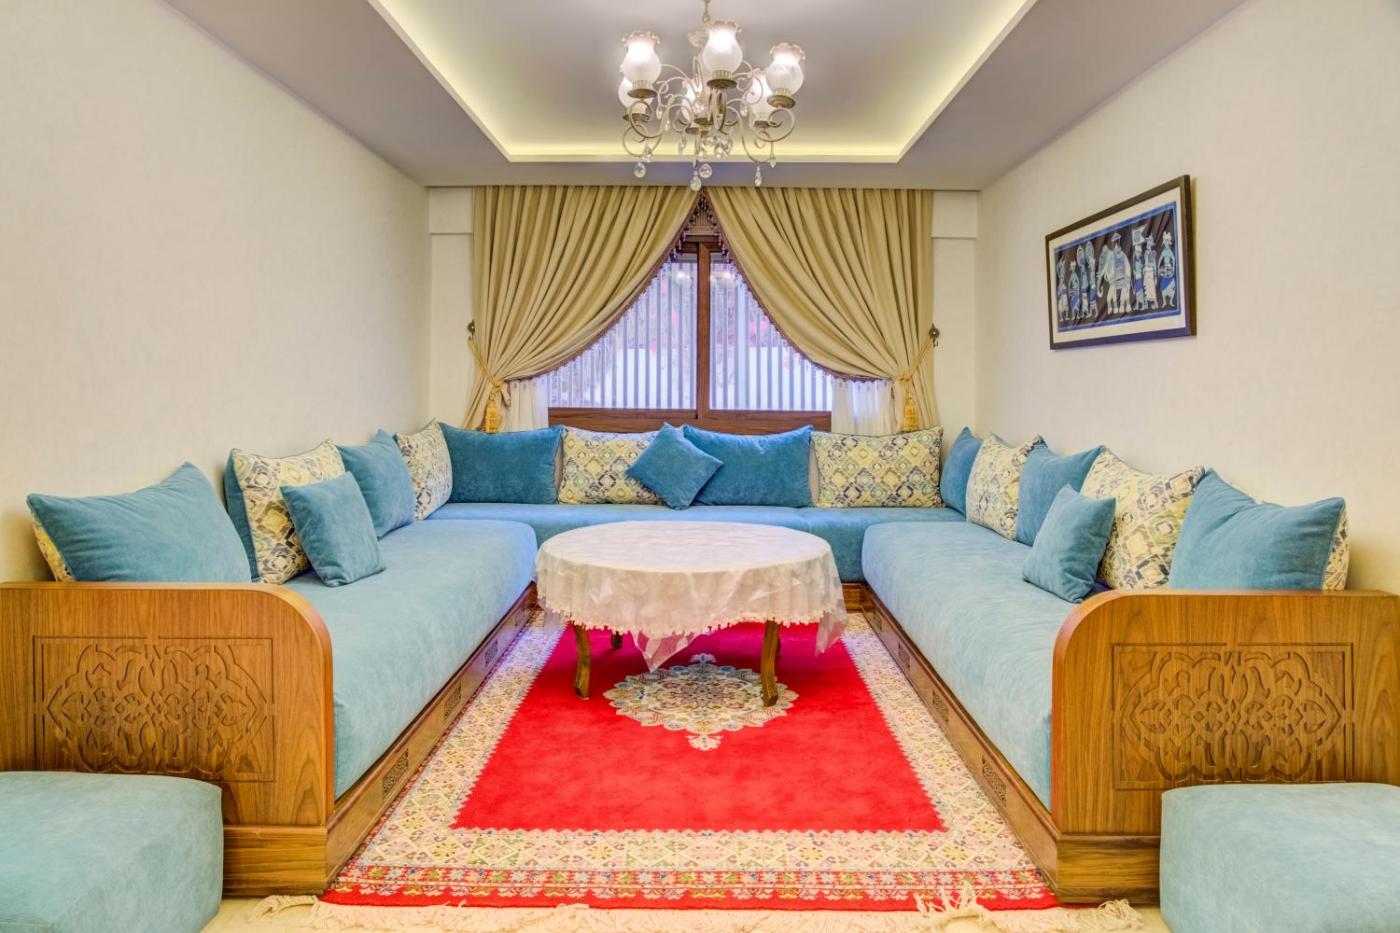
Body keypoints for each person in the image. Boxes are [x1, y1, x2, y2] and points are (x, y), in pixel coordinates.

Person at [1157, 230, 1177, 308]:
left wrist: (1173, 267)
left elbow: (1173, 259)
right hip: (1165, 268)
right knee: (1163, 285)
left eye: (1167, 241)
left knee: (1171, 285)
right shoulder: (1164, 251)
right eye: (1165, 241)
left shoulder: (1169, 251)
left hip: (1169, 268)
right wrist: (1158, 266)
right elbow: (1160, 259)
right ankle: (1164, 302)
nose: (1166, 243)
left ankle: (1171, 301)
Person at [1143, 234, 1159, 309]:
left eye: (1149, 242)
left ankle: (1155, 303)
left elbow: (1154, 264)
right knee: (1147, 288)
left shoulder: (1152, 253)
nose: (1147, 243)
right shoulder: (1146, 252)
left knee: (1151, 288)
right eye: (1147, 242)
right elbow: (1145, 262)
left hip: (1150, 271)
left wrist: (1155, 276)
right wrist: (1144, 267)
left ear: (1151, 243)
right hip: (1146, 271)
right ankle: (1146, 303)